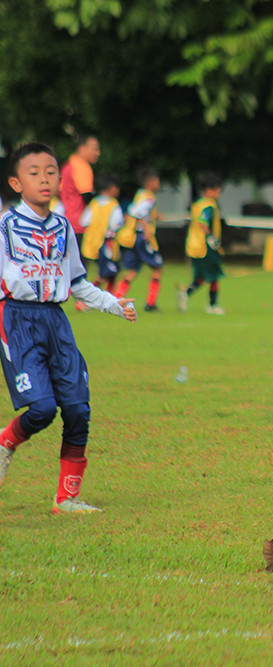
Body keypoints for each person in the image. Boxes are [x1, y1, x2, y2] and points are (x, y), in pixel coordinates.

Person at [0, 143, 137, 514]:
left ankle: (67, 498)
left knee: (77, 409)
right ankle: (6, 442)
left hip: (56, 323)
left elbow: (76, 282)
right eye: (34, 172)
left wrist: (113, 303)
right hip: (17, 319)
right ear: (16, 182)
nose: (44, 178)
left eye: (50, 171)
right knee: (42, 409)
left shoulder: (63, 227)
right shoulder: (4, 227)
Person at [114, 167, 164, 312]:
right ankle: (151, 303)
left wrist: (155, 216)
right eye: (157, 181)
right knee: (157, 267)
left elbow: (132, 210)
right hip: (142, 238)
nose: (159, 184)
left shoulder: (140, 194)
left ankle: (116, 298)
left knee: (133, 270)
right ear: (151, 182)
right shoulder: (149, 197)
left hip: (134, 237)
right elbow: (137, 212)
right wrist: (147, 228)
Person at [179, 172, 225, 315]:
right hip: (205, 246)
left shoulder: (197, 204)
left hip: (194, 245)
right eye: (218, 190)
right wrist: (211, 238)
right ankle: (212, 305)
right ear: (210, 191)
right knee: (214, 276)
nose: (219, 193)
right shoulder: (209, 205)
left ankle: (185, 293)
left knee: (202, 277)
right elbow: (203, 222)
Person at [79, 173, 123, 293]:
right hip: (106, 243)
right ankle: (85, 298)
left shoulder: (94, 203)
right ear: (113, 188)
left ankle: (111, 298)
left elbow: (84, 221)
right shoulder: (113, 205)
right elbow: (116, 224)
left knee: (110, 273)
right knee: (108, 272)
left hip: (91, 242)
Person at [60, 134, 100, 237]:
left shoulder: (67, 166)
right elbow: (87, 195)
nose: (98, 153)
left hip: (66, 221)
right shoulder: (81, 167)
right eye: (95, 149)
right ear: (82, 148)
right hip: (80, 225)